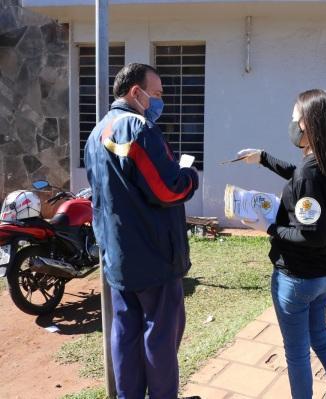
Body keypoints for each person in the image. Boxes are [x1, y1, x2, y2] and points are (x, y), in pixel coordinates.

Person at [84, 63, 199, 399]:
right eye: (158, 93)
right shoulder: (139, 129)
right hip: (154, 257)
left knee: (125, 332)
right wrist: (189, 176)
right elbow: (168, 189)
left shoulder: (96, 133)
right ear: (137, 92)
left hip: (118, 257)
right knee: (160, 337)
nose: (160, 101)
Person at [237, 89, 326, 399]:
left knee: (297, 354)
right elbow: (299, 179)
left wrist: (270, 228)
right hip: (324, 275)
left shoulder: (310, 172)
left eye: (294, 119)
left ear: (308, 124)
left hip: (298, 278)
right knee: (321, 339)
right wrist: (263, 158)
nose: (291, 125)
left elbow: (310, 234)